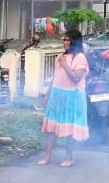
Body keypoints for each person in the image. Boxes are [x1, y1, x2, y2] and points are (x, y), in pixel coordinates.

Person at [37, 29, 89, 168]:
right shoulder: (60, 56)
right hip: (57, 95)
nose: (64, 42)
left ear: (74, 42)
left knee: (69, 129)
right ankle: (47, 156)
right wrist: (47, 94)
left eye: (67, 40)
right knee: (50, 128)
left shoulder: (80, 58)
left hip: (72, 96)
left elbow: (76, 78)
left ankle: (69, 158)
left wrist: (64, 63)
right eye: (64, 40)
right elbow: (55, 77)